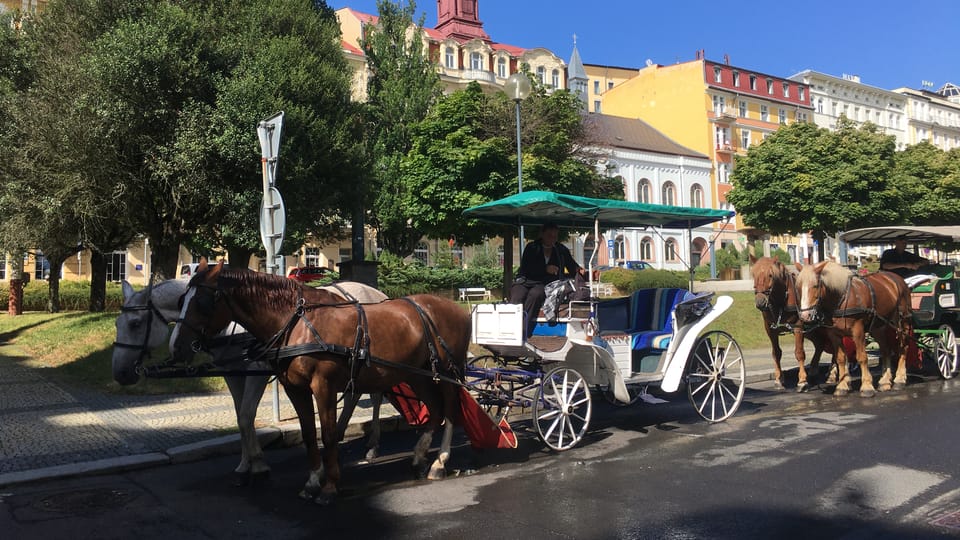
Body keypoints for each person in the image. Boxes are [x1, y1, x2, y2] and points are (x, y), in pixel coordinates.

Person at [510, 223, 586, 338]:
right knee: (517, 294)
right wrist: (545, 269)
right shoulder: (532, 247)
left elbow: (571, 266)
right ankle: (510, 328)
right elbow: (526, 267)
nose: (552, 239)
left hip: (544, 284)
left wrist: (579, 271)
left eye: (555, 236)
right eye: (549, 235)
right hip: (525, 280)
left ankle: (524, 331)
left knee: (536, 295)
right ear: (542, 234)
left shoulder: (561, 249)